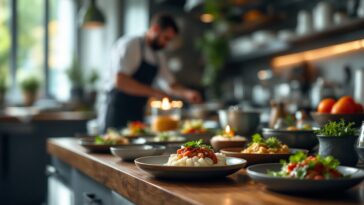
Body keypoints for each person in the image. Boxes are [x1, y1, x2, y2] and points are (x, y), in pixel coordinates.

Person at [101, 13, 202, 131]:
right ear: (155, 29)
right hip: (117, 110)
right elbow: (121, 81)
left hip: (137, 111)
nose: (166, 44)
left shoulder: (158, 54)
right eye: (165, 38)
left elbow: (170, 84)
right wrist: (156, 92)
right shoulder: (131, 45)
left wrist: (188, 93)